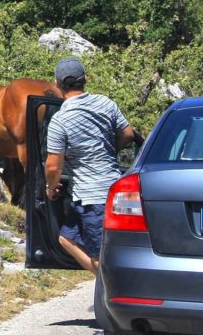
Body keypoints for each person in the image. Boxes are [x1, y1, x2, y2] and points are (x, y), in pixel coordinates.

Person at [44, 57, 138, 274]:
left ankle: (113, 286)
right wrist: (109, 150)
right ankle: (115, 283)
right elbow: (127, 134)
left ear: (57, 84)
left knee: (100, 258)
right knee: (67, 238)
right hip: (121, 192)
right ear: (86, 79)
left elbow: (52, 167)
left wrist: (51, 189)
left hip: (92, 197)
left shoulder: (60, 121)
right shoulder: (106, 103)